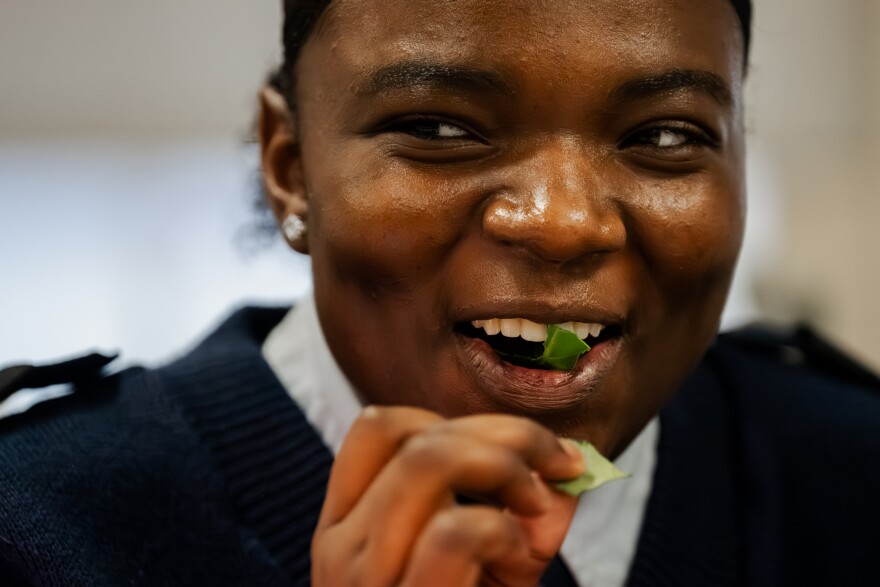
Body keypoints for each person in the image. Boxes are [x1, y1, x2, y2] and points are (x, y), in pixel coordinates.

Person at [1, 0, 879, 585]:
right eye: (437, 128)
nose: (563, 221)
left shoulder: (851, 477)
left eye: (665, 134)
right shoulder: (34, 526)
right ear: (290, 168)